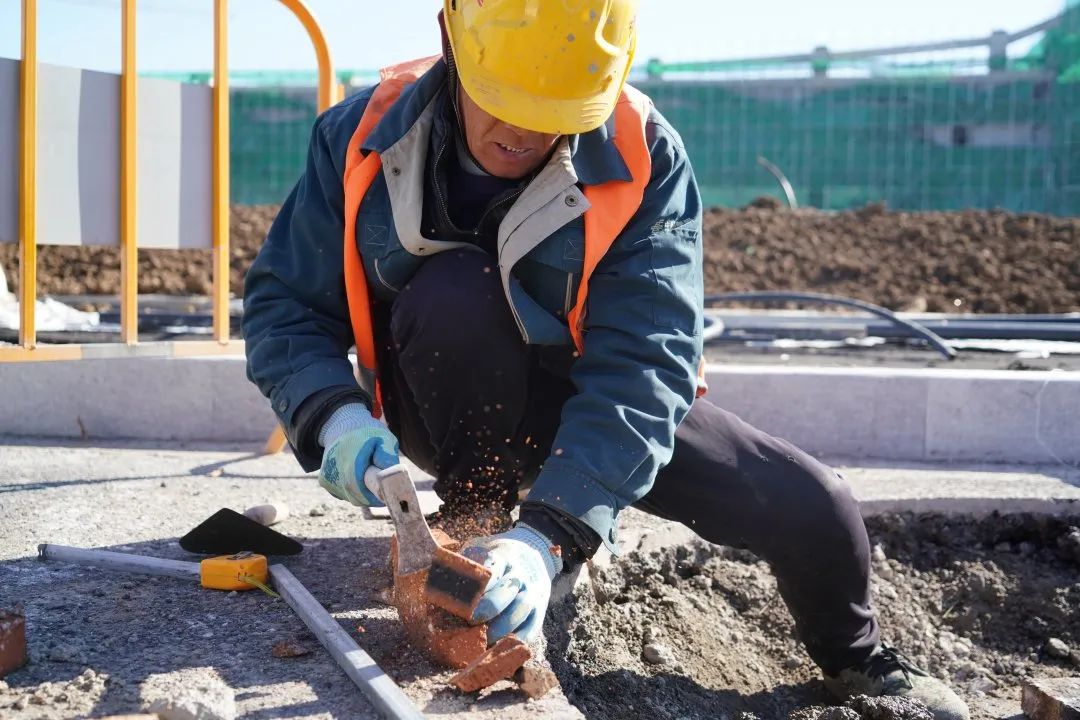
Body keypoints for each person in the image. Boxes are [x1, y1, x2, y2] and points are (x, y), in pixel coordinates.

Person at [242, 2, 968, 718]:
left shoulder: (642, 152)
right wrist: (333, 416)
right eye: (505, 103)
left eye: (557, 111)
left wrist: (552, 534)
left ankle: (857, 662)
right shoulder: (361, 135)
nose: (524, 133)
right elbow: (287, 305)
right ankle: (474, 523)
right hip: (445, 394)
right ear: (452, 41)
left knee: (816, 506)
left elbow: (645, 361)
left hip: (588, 405)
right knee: (456, 289)